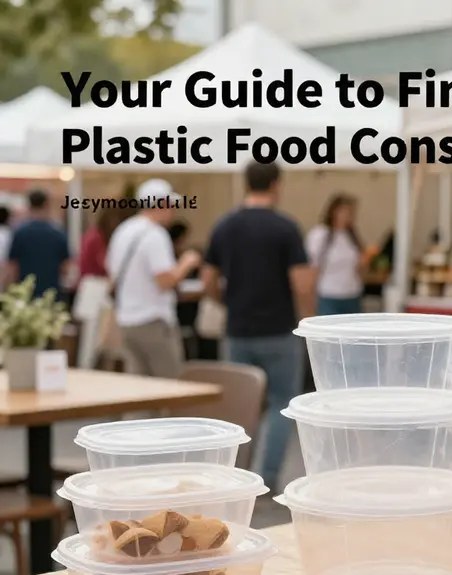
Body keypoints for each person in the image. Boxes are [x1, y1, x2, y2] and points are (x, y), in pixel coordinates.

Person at [202, 162, 315, 491]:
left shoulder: (225, 226)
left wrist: (225, 300)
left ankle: (236, 474)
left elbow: (208, 278)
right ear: (277, 184)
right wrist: (308, 319)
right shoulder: (285, 228)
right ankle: (266, 476)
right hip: (279, 329)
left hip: (238, 329)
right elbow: (302, 284)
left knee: (242, 404)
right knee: (281, 403)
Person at [106, 179, 200, 378]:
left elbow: (111, 273)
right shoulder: (155, 235)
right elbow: (164, 281)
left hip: (126, 320)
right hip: (153, 320)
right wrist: (186, 263)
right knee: (172, 386)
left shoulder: (123, 231)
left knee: (140, 389)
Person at [306, 194, 366, 315]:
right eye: (343, 212)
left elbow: (359, 269)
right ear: (333, 211)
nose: (346, 216)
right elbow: (313, 268)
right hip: (329, 294)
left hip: (352, 293)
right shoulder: (320, 234)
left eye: (350, 212)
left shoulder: (351, 237)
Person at [7, 189, 70, 296]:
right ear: (46, 205)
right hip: (51, 293)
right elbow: (65, 267)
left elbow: (12, 267)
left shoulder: (20, 233)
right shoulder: (58, 233)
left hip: (25, 293)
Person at [77, 208, 119, 284]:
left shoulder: (93, 234)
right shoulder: (97, 237)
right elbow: (103, 263)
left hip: (89, 281)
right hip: (95, 283)